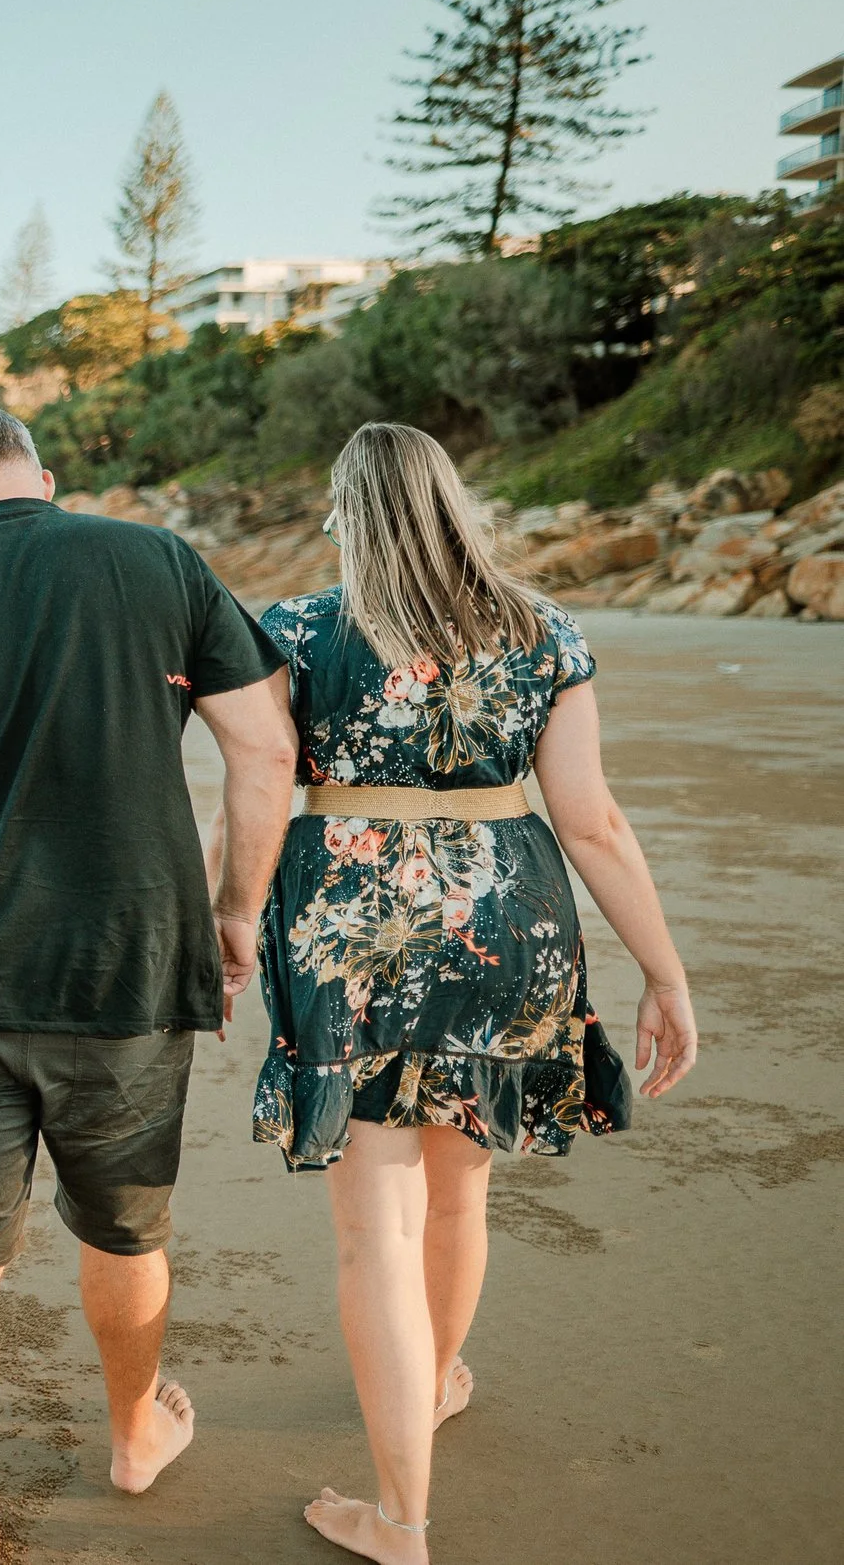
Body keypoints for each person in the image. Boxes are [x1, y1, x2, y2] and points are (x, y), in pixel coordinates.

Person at [0, 405, 297, 1565]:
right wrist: (234, 909)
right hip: (129, 969)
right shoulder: (157, 561)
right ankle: (134, 1435)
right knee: (126, 1231)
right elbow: (265, 747)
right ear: (44, 478)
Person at [247, 423, 698, 1563]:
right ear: (452, 505)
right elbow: (591, 821)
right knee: (458, 1202)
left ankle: (401, 1518)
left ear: (347, 514)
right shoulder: (540, 629)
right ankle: (434, 1378)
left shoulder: (295, 630)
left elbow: (257, 781)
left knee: (376, 1232)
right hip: (508, 924)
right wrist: (664, 970)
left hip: (351, 929)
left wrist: (223, 915)